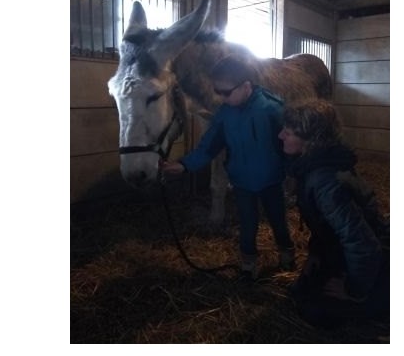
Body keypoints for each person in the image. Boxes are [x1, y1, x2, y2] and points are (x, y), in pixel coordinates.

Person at [162, 56, 294, 279]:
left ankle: (287, 255)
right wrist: (184, 165)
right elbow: (209, 146)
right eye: (217, 91)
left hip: (271, 180)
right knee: (247, 224)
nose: (220, 97)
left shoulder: (272, 109)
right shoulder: (224, 114)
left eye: (226, 92)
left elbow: (288, 144)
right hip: (242, 182)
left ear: (245, 86)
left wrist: (295, 170)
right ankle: (248, 265)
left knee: (278, 220)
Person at [279, 99, 388, 328]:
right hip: (344, 249)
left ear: (309, 140)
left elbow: (363, 244)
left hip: (377, 255)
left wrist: (353, 290)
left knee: (315, 312)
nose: (281, 136)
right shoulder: (316, 165)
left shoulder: (325, 182)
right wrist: (316, 254)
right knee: (300, 292)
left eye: (288, 132)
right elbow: (326, 226)